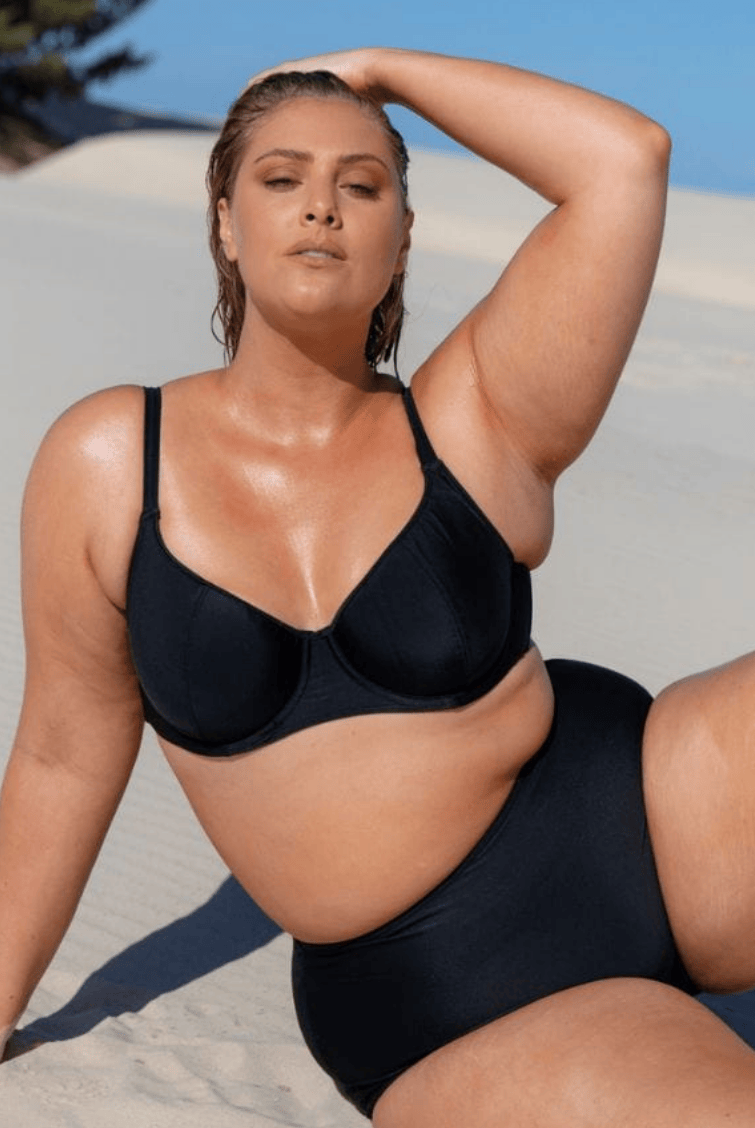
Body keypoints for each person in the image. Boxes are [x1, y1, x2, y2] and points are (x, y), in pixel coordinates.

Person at [2, 46, 755, 1125]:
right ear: (224, 222)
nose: (321, 206)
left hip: (652, 815)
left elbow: (623, 159)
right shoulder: (115, 462)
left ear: (402, 240)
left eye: (361, 186)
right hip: (443, 995)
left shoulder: (473, 418)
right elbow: (60, 757)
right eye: (281, 178)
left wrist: (379, 70)